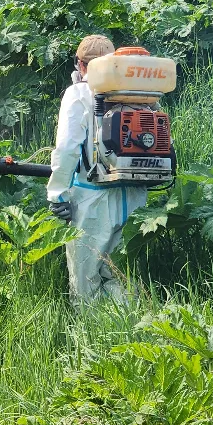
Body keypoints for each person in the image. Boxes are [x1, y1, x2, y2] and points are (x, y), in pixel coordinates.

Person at [46, 35, 147, 306]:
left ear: (81, 65)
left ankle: (89, 328)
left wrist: (57, 195)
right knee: (122, 276)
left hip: (92, 199)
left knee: (85, 280)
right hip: (135, 196)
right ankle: (127, 325)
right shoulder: (141, 94)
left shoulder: (79, 93)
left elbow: (67, 148)